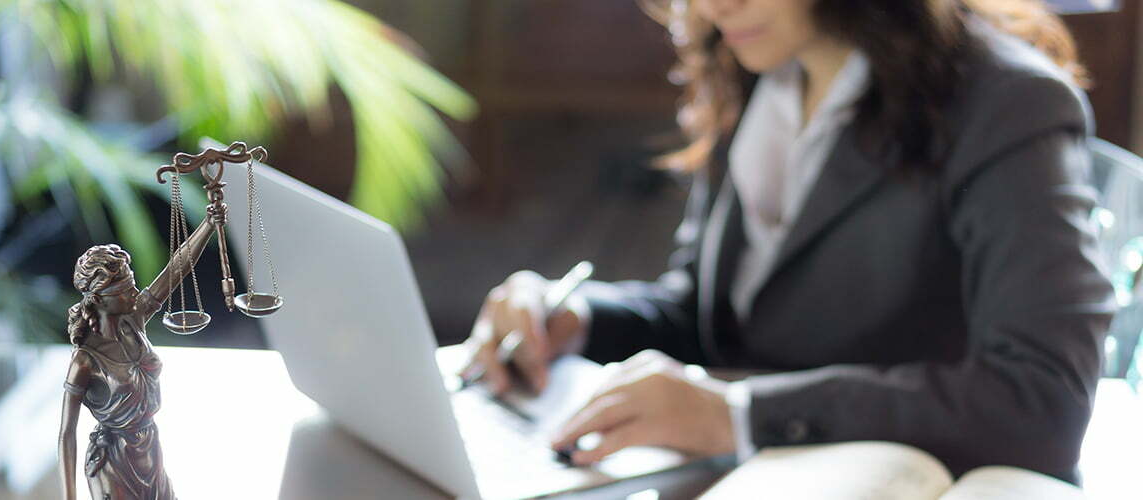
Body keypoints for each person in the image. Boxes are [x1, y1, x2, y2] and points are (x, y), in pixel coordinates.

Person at [460, 0, 1115, 484]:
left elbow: (1043, 401)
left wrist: (737, 414)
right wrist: (577, 318)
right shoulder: (761, 68)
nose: (714, 7)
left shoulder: (1008, 102)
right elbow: (713, 316)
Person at [57, 205, 225, 500]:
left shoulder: (133, 319)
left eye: (132, 285)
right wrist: (69, 497)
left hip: (149, 450)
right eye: (125, 290)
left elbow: (177, 267)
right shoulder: (84, 360)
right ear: (99, 299)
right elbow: (66, 434)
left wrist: (209, 224)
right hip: (112, 461)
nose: (135, 294)